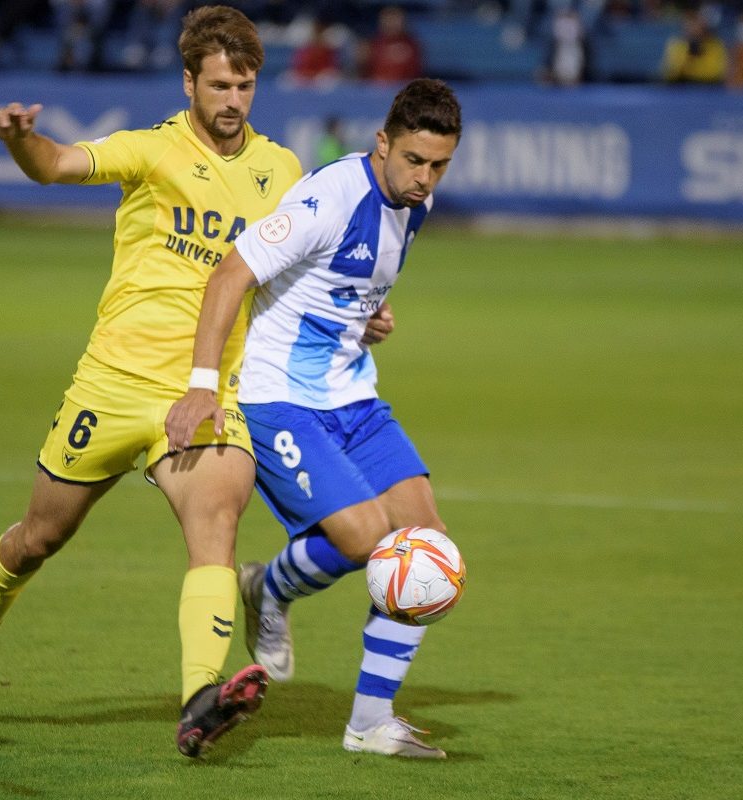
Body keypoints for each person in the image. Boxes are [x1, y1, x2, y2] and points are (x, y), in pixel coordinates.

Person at [0, 5, 304, 758]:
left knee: (218, 527)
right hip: (111, 385)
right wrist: (19, 141)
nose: (234, 100)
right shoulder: (149, 150)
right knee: (38, 538)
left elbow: (304, 264)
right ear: (190, 82)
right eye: (221, 85)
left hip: (204, 394)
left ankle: (201, 697)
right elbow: (59, 163)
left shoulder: (283, 171)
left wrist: (362, 314)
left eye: (247, 85)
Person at [165, 77, 462, 759]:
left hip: (353, 395)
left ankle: (368, 723)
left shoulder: (415, 204)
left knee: (429, 545)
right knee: (366, 541)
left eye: (439, 165)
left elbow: (347, 286)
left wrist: (367, 318)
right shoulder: (328, 198)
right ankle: (267, 590)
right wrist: (203, 387)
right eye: (414, 160)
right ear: (381, 143)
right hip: (279, 396)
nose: (424, 178)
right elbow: (231, 274)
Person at [357, 5, 422, 83]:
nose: (392, 24)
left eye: (395, 20)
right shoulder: (373, 44)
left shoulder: (412, 45)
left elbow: (416, 73)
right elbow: (364, 75)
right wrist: (362, 62)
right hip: (376, 90)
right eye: (388, 20)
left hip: (403, 89)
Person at [661, 9, 728, 85]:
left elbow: (716, 72)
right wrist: (687, 56)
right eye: (689, 26)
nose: (693, 29)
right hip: (682, 88)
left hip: (708, 89)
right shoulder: (677, 45)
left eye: (696, 25)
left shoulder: (715, 45)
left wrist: (691, 68)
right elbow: (670, 73)